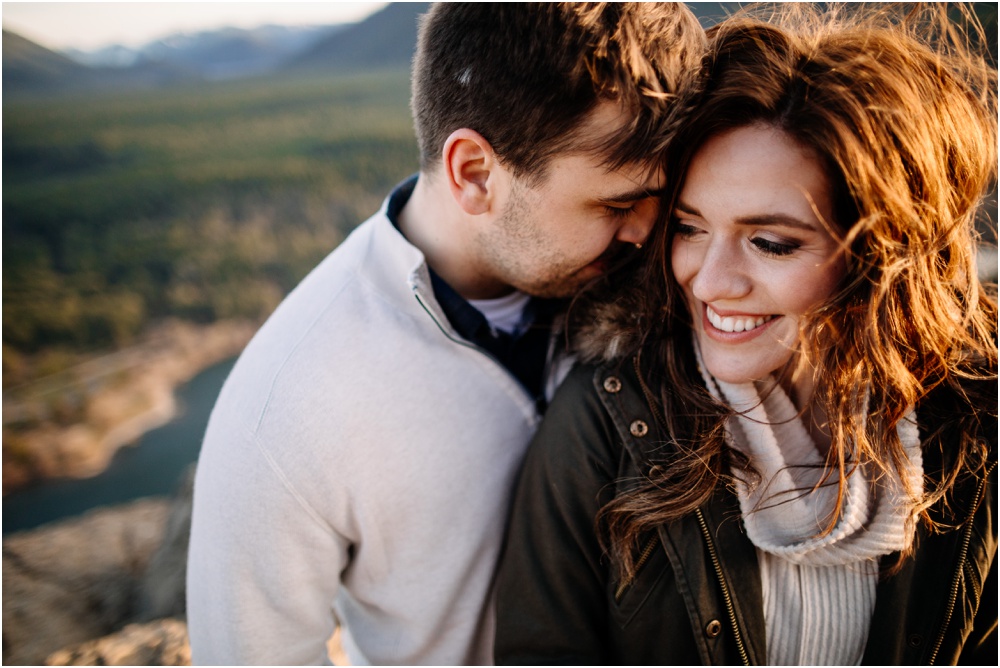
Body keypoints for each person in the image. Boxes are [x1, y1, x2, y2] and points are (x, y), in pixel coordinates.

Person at [186, 3, 705, 665]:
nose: (646, 232)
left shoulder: (678, 286)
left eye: (666, 200)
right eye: (617, 204)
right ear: (475, 174)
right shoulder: (289, 401)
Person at [494, 3, 997, 665]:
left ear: (881, 251)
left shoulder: (974, 414)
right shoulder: (609, 421)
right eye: (689, 227)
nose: (708, 282)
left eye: (769, 242)